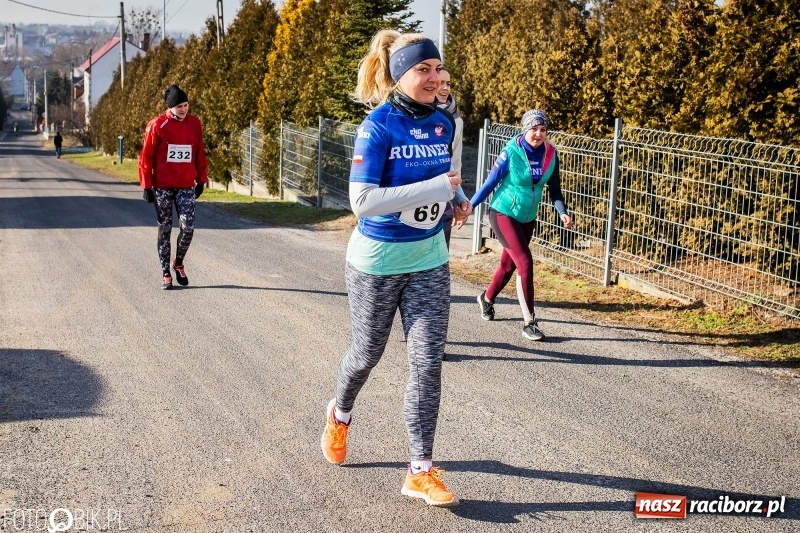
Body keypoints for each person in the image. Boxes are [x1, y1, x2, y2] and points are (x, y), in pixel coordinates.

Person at [320, 29, 466, 508]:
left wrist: (459, 200)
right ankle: (340, 415)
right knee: (366, 354)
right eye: (423, 70)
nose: (435, 77)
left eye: (438, 68)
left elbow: (446, 181)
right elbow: (361, 201)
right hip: (377, 262)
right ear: (400, 76)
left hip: (429, 258)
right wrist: (438, 191)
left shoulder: (444, 123)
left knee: (427, 363)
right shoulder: (379, 125)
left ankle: (420, 470)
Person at [469, 109, 573, 341]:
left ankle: (486, 298)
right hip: (503, 213)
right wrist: (470, 206)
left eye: (543, 129)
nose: (538, 134)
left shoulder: (550, 155)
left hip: (528, 217)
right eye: (534, 129)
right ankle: (530, 322)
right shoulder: (511, 152)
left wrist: (563, 212)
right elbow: (490, 183)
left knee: (509, 265)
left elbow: (555, 190)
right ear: (525, 129)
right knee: (525, 262)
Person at [138, 84, 208, 290]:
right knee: (165, 230)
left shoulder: (195, 124)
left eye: (186, 105)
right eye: (179, 106)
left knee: (188, 228)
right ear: (170, 107)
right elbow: (146, 157)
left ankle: (178, 262)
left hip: (185, 185)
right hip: (162, 187)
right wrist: (147, 186)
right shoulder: (157, 125)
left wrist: (201, 180)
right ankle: (166, 272)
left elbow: (199, 153)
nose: (184, 109)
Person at [435, 67, 468, 248]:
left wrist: (459, 200)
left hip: (443, 206)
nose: (445, 88)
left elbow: (454, 164)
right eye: (440, 83)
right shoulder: (413, 116)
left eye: (448, 84)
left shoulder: (456, 121)